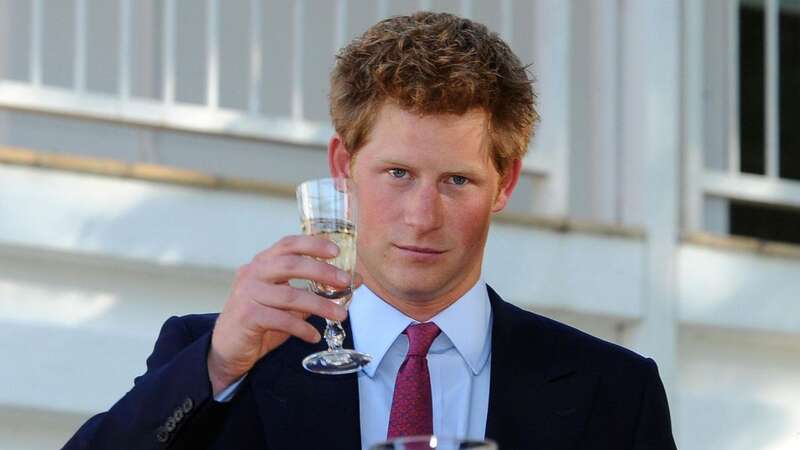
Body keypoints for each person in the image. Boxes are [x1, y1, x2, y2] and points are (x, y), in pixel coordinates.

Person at [63, 12, 676, 450]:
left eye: (457, 181)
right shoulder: (222, 361)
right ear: (342, 168)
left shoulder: (614, 391)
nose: (421, 216)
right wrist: (220, 366)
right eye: (397, 173)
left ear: (505, 183)